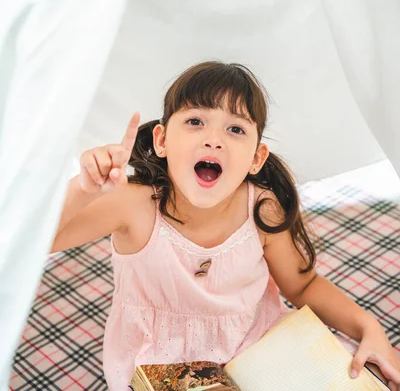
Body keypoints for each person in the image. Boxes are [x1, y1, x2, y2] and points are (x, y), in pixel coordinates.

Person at [51, 61, 400, 391]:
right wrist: (83, 189)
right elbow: (37, 243)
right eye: (195, 122)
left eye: (235, 129)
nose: (213, 139)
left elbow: (304, 285)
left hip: (257, 343)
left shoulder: (262, 207)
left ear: (255, 158)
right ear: (161, 141)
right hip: (163, 363)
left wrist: (369, 328)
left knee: (360, 377)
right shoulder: (134, 204)